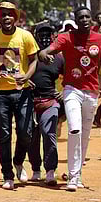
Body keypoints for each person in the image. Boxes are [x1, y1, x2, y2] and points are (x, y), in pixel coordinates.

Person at [39, 6, 101, 191]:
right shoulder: (66, 37)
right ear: (75, 20)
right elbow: (46, 51)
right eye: (81, 17)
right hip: (72, 90)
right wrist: (44, 54)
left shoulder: (99, 39)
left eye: (87, 17)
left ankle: (77, 175)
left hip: (91, 92)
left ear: (92, 19)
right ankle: (72, 178)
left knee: (85, 135)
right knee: (75, 129)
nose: (85, 20)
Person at [0, 2, 39, 190]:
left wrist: (26, 76)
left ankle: (18, 161)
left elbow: (34, 60)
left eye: (10, 15)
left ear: (16, 17)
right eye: (3, 15)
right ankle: (7, 175)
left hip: (22, 92)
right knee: (4, 135)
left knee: (25, 133)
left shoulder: (25, 36)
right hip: (0, 94)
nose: (7, 18)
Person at [28, 22, 64, 185]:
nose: (44, 37)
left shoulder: (59, 57)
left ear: (53, 36)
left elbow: (71, 76)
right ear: (35, 36)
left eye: (47, 34)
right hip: (28, 102)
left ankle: (50, 170)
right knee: (30, 137)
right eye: (40, 34)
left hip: (50, 102)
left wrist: (63, 93)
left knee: (49, 134)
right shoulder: (28, 54)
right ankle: (36, 169)